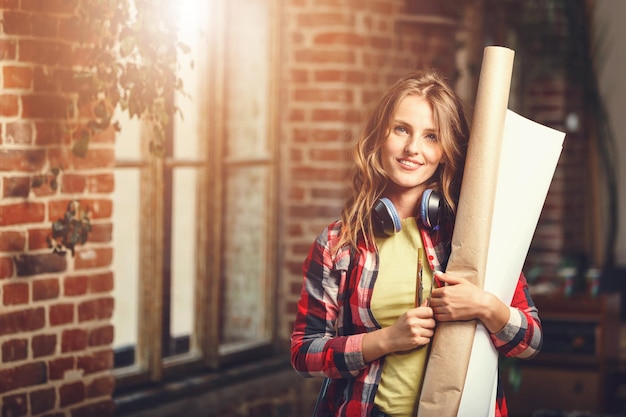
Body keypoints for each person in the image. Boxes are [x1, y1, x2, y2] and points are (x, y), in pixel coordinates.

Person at [290, 70, 542, 417]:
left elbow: (530, 341)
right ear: (380, 135)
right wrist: (385, 340)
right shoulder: (339, 243)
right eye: (401, 129)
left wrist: (485, 306)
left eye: (431, 136)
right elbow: (304, 355)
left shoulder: (477, 238)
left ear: (445, 151)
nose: (412, 149)